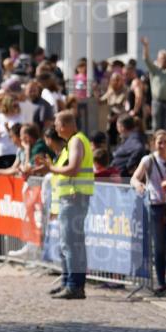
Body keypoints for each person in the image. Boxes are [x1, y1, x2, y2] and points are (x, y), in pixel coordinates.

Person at [38, 111, 94, 300]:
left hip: (74, 198)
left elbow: (73, 168)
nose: (55, 128)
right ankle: (69, 282)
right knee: (70, 244)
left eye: (57, 124)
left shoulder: (76, 141)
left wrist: (51, 168)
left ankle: (74, 285)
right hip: (71, 198)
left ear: (65, 125)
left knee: (71, 244)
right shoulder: (72, 143)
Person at [130, 130, 166, 292]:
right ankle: (161, 281)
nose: (163, 145)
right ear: (154, 143)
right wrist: (138, 185)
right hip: (156, 206)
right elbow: (134, 178)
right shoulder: (149, 160)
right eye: (159, 142)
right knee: (159, 246)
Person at [142, 37, 166, 131]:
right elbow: (146, 59)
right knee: (156, 127)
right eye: (162, 58)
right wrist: (146, 46)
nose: (164, 60)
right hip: (157, 102)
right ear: (158, 59)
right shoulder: (155, 69)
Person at [0, 93, 22, 170]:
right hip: (0, 154)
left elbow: (21, 136)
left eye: (16, 105)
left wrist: (9, 130)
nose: (15, 107)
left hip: (15, 153)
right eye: (13, 105)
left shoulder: (19, 118)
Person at [111, 115, 147, 180]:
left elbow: (139, 149)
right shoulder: (128, 138)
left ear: (122, 127)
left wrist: (129, 166)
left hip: (125, 180)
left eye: (117, 126)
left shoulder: (134, 138)